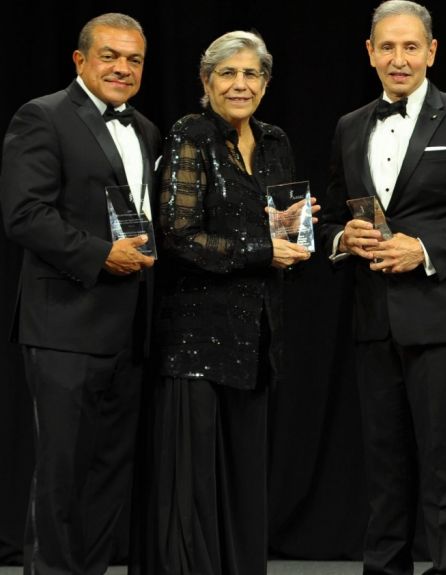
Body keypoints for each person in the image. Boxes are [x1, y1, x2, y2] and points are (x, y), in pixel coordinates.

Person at [317, 1, 446, 573]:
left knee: (441, 461)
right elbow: (331, 215)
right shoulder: (350, 125)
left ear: (432, 51)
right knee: (383, 465)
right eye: (387, 47)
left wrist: (424, 249)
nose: (398, 59)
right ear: (370, 53)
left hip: (440, 315)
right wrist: (342, 238)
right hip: (373, 316)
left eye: (410, 47)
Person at [128, 31, 312, 575]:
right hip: (193, 340)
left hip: (255, 337)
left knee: (242, 481)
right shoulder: (191, 133)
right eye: (227, 73)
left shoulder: (275, 141)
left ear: (266, 83)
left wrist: (296, 235)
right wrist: (264, 249)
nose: (240, 84)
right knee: (191, 488)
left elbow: (281, 228)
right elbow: (177, 236)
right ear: (206, 82)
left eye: (251, 73)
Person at [0, 13, 159, 575]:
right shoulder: (42, 116)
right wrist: (99, 255)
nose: (122, 68)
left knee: (109, 474)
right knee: (62, 473)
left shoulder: (146, 129)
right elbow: (25, 214)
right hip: (65, 324)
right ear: (80, 60)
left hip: (130, 327)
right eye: (110, 56)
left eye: (134, 60)